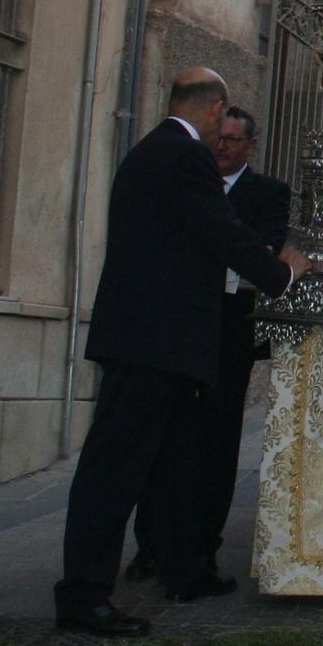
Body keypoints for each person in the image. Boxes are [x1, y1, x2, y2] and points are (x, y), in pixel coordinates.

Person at [53, 69, 311, 638]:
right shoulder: (183, 157)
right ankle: (83, 595)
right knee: (115, 471)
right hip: (154, 342)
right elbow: (221, 231)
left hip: (147, 340)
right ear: (215, 109)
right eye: (223, 119)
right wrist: (281, 273)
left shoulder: (151, 151)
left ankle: (179, 570)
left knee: (165, 463)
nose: (223, 132)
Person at [126, 107, 291, 586]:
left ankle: (203, 547)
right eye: (221, 138)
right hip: (177, 327)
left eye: (236, 141)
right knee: (164, 438)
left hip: (227, 332)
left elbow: (262, 247)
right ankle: (151, 545)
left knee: (217, 443)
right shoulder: (186, 175)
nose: (225, 148)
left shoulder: (267, 194)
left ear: (251, 147)